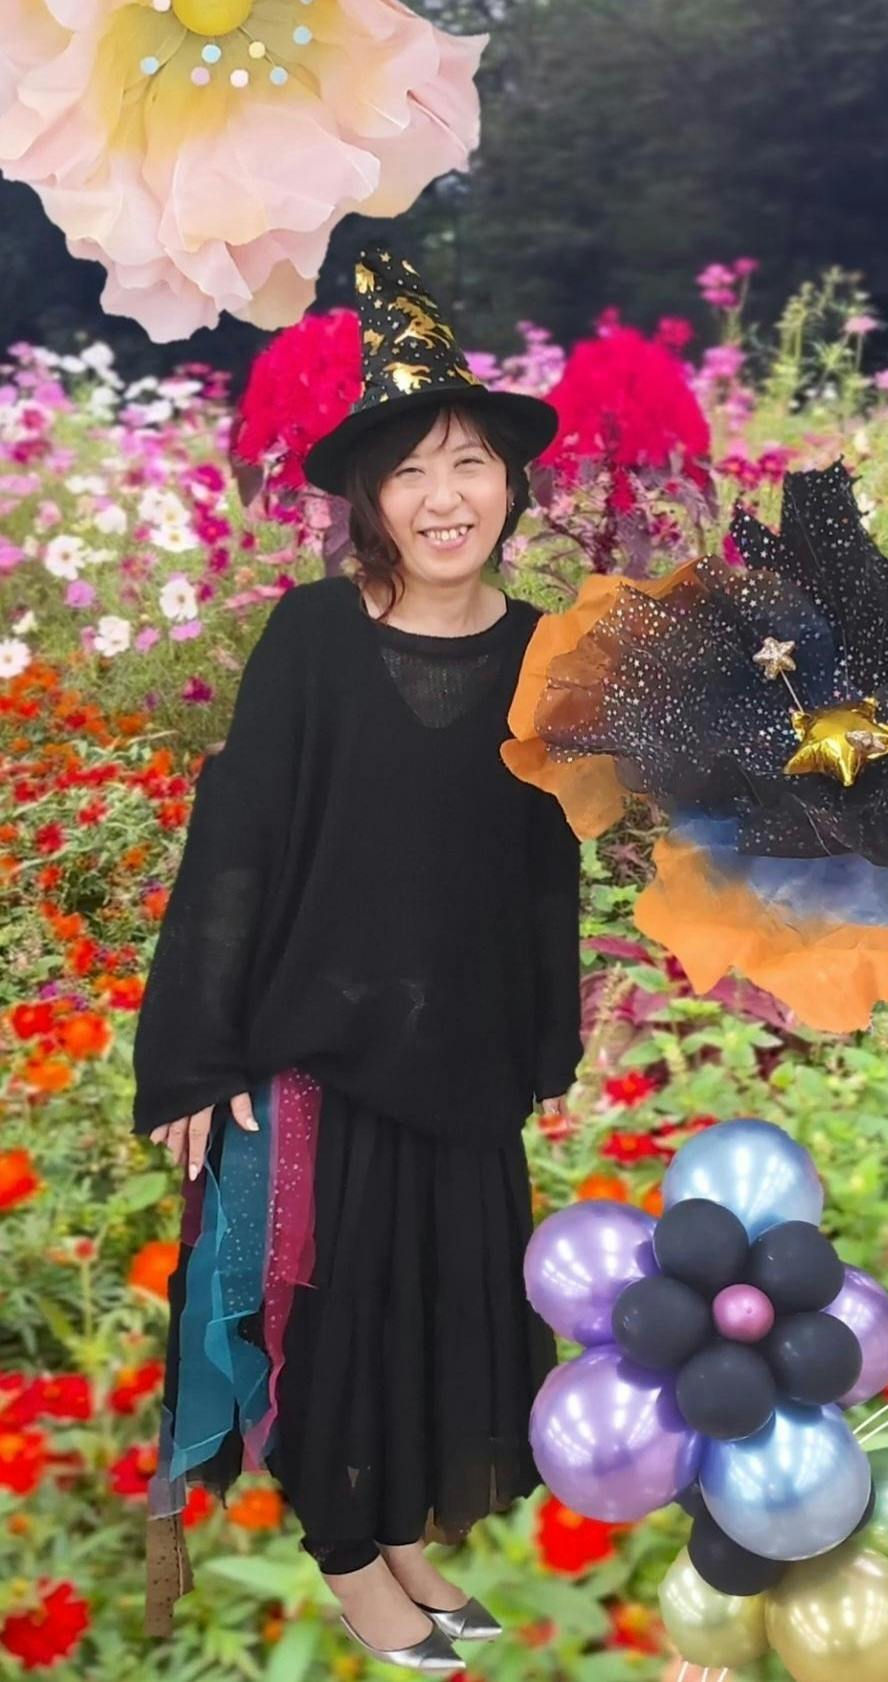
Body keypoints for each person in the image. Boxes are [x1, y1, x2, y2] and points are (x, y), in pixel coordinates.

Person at [131, 248, 583, 1671]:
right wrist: (196, 1053)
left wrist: (544, 1046)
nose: (444, 497)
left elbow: (545, 869)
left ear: (511, 484)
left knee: (440, 1311)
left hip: (464, 1063)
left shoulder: (545, 653)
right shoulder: (316, 637)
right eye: (410, 472)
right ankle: (346, 1556)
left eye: (469, 463)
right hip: (317, 1059)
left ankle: (398, 1536)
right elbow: (236, 844)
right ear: (369, 501)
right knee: (334, 1323)